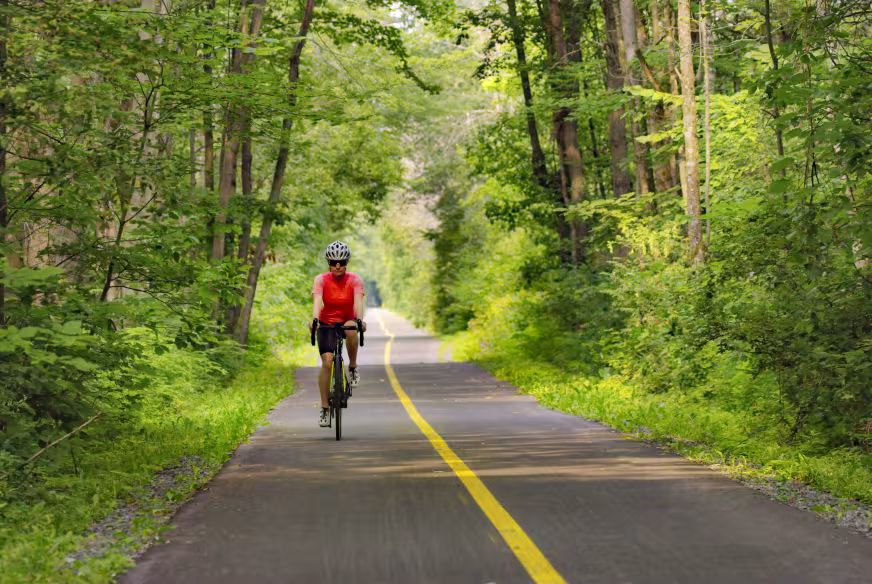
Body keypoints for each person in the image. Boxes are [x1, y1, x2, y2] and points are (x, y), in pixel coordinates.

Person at [309, 241, 367, 427]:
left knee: (351, 329)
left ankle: (353, 367)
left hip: (347, 320)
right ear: (328, 263)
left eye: (341, 262)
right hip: (327, 322)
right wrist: (315, 321)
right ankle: (325, 408)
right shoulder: (321, 280)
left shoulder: (355, 280)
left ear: (346, 263)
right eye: (334, 262)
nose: (338, 266)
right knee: (327, 362)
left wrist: (360, 320)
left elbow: (358, 302)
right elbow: (317, 301)